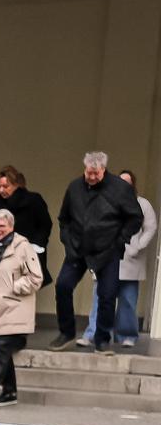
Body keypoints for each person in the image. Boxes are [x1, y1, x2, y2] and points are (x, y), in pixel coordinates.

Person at [54, 150, 142, 350]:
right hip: (77, 248)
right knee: (63, 286)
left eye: (96, 173)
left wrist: (120, 241)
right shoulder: (75, 187)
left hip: (108, 249)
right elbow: (63, 218)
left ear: (104, 169)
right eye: (88, 173)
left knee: (107, 295)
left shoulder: (120, 189)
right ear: (84, 169)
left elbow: (135, 217)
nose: (92, 177)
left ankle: (102, 339)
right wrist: (67, 241)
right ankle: (66, 332)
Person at [0, 208, 41, 408]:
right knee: (0, 351)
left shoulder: (22, 247)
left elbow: (36, 278)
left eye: (1, 226)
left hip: (14, 307)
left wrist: (14, 287)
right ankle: (10, 392)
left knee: (2, 349)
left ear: (11, 226)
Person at [86, 170, 153, 349]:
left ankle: (127, 335)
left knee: (128, 301)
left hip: (132, 261)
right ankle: (95, 333)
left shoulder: (142, 204)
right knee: (100, 299)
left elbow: (150, 228)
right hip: (106, 259)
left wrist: (138, 246)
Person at [0, 165, 51, 288]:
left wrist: (36, 246)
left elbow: (45, 225)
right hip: (3, 256)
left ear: (16, 185)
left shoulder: (34, 200)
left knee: (23, 291)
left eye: (5, 186)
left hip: (28, 254)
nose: (1, 190)